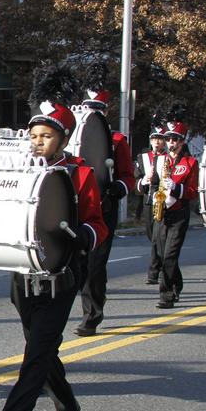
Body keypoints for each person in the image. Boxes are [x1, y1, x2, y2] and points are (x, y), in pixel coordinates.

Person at [0, 64, 107, 411]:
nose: (37, 142)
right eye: (34, 135)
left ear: (62, 139)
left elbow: (96, 223)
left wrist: (80, 238)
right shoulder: (18, 170)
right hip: (23, 273)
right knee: (41, 347)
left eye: (46, 136)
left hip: (62, 273)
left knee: (37, 349)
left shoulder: (79, 174)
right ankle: (68, 403)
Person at [74, 75, 135, 336]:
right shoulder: (70, 138)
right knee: (74, 265)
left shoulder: (117, 140)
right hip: (74, 209)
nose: (92, 113)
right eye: (89, 107)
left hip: (103, 209)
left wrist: (115, 188)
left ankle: (92, 316)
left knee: (95, 265)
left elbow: (128, 178)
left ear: (104, 112)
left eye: (97, 109)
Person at [149, 110, 199, 309]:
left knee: (170, 255)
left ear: (182, 141)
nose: (171, 143)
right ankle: (176, 283)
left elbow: (193, 192)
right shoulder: (159, 160)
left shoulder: (191, 163)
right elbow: (152, 184)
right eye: (168, 139)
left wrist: (175, 188)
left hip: (179, 213)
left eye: (175, 139)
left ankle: (166, 295)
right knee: (162, 256)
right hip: (161, 212)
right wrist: (153, 193)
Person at [135, 114, 167, 285]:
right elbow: (135, 182)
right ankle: (160, 266)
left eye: (160, 139)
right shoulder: (143, 157)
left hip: (163, 198)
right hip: (149, 198)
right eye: (154, 138)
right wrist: (143, 181)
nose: (157, 142)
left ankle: (154, 272)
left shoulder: (169, 157)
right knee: (151, 234)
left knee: (157, 236)